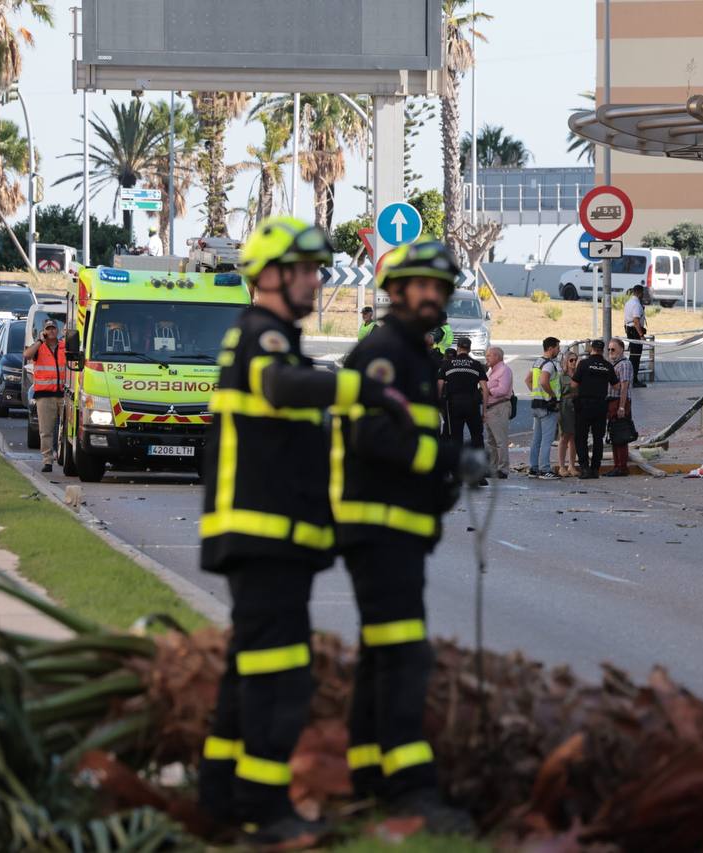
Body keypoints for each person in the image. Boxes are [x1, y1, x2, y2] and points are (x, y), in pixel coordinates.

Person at [197, 216, 408, 847]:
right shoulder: (260, 337)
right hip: (264, 539)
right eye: (307, 270)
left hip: (272, 539)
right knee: (280, 676)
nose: (317, 281)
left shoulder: (273, 337)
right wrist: (358, 389)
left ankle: (221, 801)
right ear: (272, 275)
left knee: (247, 672)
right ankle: (267, 810)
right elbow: (281, 388)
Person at [332, 240, 479, 833]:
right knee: (403, 654)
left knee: (379, 655)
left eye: (441, 289)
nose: (435, 298)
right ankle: (410, 791)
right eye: (425, 287)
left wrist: (445, 483)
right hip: (376, 528)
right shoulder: (382, 355)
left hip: (401, 530)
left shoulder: (417, 357)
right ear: (396, 292)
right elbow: (373, 438)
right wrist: (449, 456)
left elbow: (411, 448)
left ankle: (366, 777)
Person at [438, 336, 488, 468]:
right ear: (470, 349)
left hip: (453, 405)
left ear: (458, 348)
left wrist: (439, 405)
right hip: (472, 405)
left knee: (455, 439)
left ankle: (456, 473)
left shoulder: (447, 364)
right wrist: (484, 412)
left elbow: (439, 386)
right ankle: (480, 473)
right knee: (477, 437)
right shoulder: (476, 365)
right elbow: (485, 389)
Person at [24, 319, 66, 472]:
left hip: (63, 394)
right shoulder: (39, 346)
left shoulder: (64, 346)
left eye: (54, 328)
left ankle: (66, 457)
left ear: (58, 330)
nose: (51, 331)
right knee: (46, 430)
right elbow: (27, 355)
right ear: (44, 331)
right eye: (48, 329)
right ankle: (47, 461)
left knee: (67, 429)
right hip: (44, 395)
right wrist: (39, 341)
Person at [573, 339, 618, 479]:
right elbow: (616, 386)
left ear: (591, 349)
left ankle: (585, 468)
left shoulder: (584, 364)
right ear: (603, 350)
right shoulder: (607, 366)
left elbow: (574, 384)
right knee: (598, 438)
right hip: (600, 406)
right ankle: (595, 469)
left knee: (581, 437)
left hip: (584, 405)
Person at [526, 336, 561, 480]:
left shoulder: (537, 362)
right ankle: (545, 469)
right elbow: (544, 381)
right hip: (547, 405)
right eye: (558, 348)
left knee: (537, 439)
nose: (559, 350)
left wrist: (537, 393)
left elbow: (528, 380)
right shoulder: (549, 365)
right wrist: (552, 396)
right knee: (547, 439)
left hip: (536, 403)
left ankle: (533, 468)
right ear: (551, 348)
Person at [483, 346, 513, 480]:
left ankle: (503, 469)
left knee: (500, 440)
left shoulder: (504, 370)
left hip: (499, 407)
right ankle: (492, 468)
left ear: (497, 357)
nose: (486, 358)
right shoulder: (492, 371)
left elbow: (503, 389)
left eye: (489, 355)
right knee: (491, 441)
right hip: (490, 408)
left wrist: (487, 389)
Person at [605, 338, 634, 477]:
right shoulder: (614, 364)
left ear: (621, 349)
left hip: (620, 402)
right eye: (609, 349)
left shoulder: (624, 364)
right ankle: (617, 466)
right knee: (614, 434)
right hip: (612, 401)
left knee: (621, 434)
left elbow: (624, 386)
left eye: (613, 349)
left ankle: (622, 467)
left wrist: (621, 407)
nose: (611, 352)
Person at [557, 351, 580, 477]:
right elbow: (558, 394)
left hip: (576, 406)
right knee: (564, 436)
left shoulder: (579, 374)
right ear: (566, 361)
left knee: (573, 437)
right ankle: (561, 466)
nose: (574, 362)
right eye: (571, 360)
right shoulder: (561, 377)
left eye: (575, 360)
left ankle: (572, 465)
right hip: (565, 406)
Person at [624, 284, 647, 388]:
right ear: (639, 292)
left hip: (630, 330)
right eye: (642, 293)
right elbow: (636, 321)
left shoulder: (629, 303)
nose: (643, 295)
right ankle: (634, 380)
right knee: (636, 357)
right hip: (635, 331)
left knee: (633, 356)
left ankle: (633, 379)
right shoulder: (636, 304)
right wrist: (641, 335)